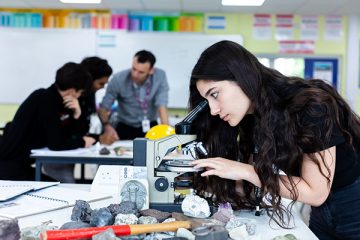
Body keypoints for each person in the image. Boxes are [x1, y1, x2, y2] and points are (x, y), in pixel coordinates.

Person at [189, 40, 360, 239]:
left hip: (353, 199)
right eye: (207, 100)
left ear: (241, 77)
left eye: (215, 94)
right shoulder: (253, 116)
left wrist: (244, 171)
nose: (213, 109)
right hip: (323, 207)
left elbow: (315, 192)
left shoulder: (311, 106)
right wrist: (203, 180)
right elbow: (257, 183)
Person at [0, 62, 96, 181]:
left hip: (21, 164)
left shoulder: (62, 102)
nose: (80, 96)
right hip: (9, 166)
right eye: (80, 92)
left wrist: (77, 114)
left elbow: (69, 135)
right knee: (59, 188)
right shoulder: (44, 99)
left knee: (58, 185)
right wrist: (82, 142)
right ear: (71, 91)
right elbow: (57, 144)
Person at [98, 50, 169, 141]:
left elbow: (162, 104)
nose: (135, 75)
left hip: (151, 126)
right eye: (134, 69)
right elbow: (104, 107)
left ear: (151, 70)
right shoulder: (118, 79)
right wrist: (107, 126)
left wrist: (167, 135)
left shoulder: (160, 76)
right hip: (125, 126)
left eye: (141, 72)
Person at [79, 56, 115, 144]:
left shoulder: (90, 93)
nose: (103, 87)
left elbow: (82, 132)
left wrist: (100, 137)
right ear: (88, 80)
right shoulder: (73, 97)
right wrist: (99, 139)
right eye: (101, 83)